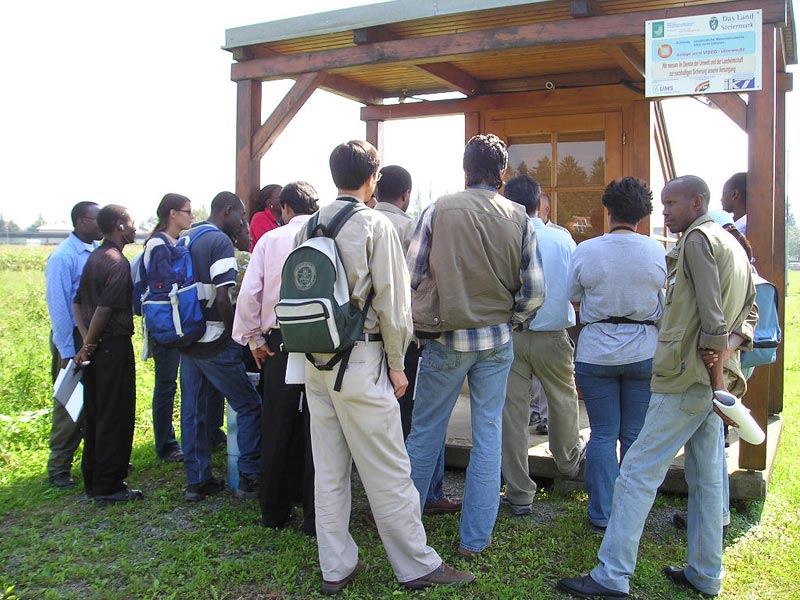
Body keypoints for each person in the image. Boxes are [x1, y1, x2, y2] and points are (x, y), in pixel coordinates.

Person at [558, 175, 757, 600]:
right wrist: (727, 357)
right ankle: (705, 572)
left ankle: (612, 574)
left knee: (636, 470)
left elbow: (713, 319)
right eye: (661, 204)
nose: (665, 212)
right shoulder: (731, 242)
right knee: (707, 477)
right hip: (706, 379)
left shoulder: (698, 241)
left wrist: (715, 368)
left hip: (687, 377)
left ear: (697, 202)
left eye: (672, 203)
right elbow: (749, 311)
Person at [297, 140, 474, 594]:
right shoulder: (374, 224)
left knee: (329, 470)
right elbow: (394, 305)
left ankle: (335, 565)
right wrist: (398, 364)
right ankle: (416, 565)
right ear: (372, 178)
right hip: (363, 359)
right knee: (391, 469)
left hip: (316, 361)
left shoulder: (310, 224)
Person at [405, 134, 545, 558]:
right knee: (488, 435)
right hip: (496, 340)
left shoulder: (437, 209)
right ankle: (475, 539)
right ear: (502, 173)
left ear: (465, 169)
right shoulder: (519, 216)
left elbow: (411, 274)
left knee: (426, 432)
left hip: (445, 337)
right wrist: (511, 320)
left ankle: (404, 530)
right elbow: (535, 291)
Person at [567, 177, 667, 534]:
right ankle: (631, 513)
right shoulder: (656, 251)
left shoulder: (588, 249)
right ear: (643, 214)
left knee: (603, 434)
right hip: (643, 349)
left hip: (596, 351)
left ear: (607, 209)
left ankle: (601, 513)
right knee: (635, 436)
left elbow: (571, 294)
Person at [374, 164, 461, 516]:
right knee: (419, 419)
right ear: (406, 195)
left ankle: (380, 494)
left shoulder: (359, 223)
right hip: (406, 337)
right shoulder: (409, 228)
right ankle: (426, 492)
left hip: (362, 341)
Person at [233, 181, 318, 535]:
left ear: (285, 208)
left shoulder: (270, 240)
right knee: (319, 430)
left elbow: (250, 293)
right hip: (322, 343)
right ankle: (315, 516)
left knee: (276, 425)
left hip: (278, 343)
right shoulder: (328, 239)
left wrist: (253, 339)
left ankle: (274, 510)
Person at [500, 174, 584, 517]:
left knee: (512, 413)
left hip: (511, 335)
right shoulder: (562, 238)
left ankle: (519, 492)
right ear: (540, 205)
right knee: (563, 400)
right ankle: (568, 464)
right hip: (553, 335)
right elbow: (576, 287)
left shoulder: (503, 236)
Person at [178, 192, 262, 502]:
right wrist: (235, 335)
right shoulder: (220, 242)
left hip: (188, 337)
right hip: (214, 338)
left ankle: (197, 481)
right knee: (249, 404)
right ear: (227, 211)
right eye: (241, 216)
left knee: (193, 411)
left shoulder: (188, 236)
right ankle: (249, 477)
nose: (242, 222)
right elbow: (223, 297)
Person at [72, 204, 142, 505]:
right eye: (132, 222)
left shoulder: (95, 258)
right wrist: (89, 342)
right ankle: (109, 485)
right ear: (119, 226)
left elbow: (77, 303)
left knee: (96, 412)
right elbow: (104, 309)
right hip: (112, 346)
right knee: (116, 415)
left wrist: (86, 341)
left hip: (96, 347)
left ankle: (93, 479)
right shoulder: (117, 263)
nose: (136, 228)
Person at [44, 201, 102, 488]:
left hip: (92, 336)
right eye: (96, 219)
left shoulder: (95, 250)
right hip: (73, 339)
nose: (101, 224)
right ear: (81, 221)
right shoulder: (63, 257)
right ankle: (58, 468)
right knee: (69, 405)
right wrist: (67, 352)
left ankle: (94, 459)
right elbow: (59, 308)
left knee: (96, 401)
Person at [142, 193, 195, 463]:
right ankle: (165, 444)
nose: (191, 216)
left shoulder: (175, 242)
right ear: (172, 214)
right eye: (187, 211)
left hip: (179, 321)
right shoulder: (158, 245)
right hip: (165, 324)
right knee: (166, 385)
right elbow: (164, 283)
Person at [249, 184, 282, 250]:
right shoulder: (260, 218)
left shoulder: (285, 219)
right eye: (280, 197)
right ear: (269, 202)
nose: (285, 200)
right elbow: (268, 245)